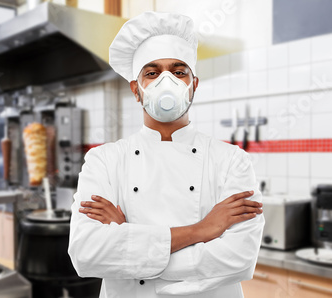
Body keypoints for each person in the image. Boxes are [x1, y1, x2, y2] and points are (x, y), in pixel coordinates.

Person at [67, 11, 265, 298]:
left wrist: (130, 241)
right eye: (152, 72)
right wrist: (201, 230)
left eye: (179, 71)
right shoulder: (104, 161)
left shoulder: (232, 160)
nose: (166, 80)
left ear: (192, 85)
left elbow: (239, 260)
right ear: (136, 90)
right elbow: (86, 254)